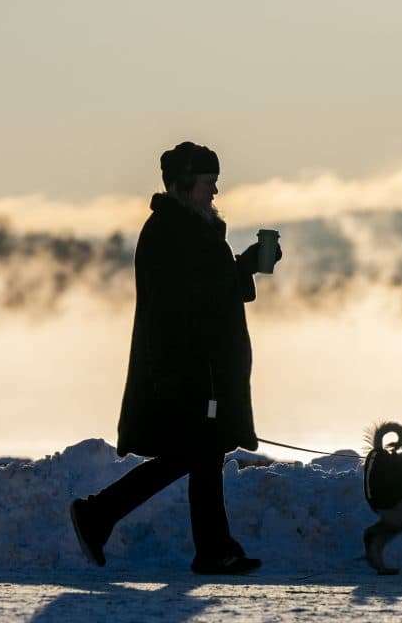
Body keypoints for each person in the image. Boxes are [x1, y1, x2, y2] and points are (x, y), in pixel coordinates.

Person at [69, 142, 281, 575]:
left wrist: (246, 266)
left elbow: (212, 289)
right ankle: (199, 545)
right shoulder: (171, 232)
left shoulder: (189, 229)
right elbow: (182, 305)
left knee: (199, 454)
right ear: (183, 184)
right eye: (208, 182)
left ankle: (112, 518)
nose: (215, 191)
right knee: (198, 453)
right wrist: (174, 372)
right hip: (186, 370)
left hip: (195, 369)